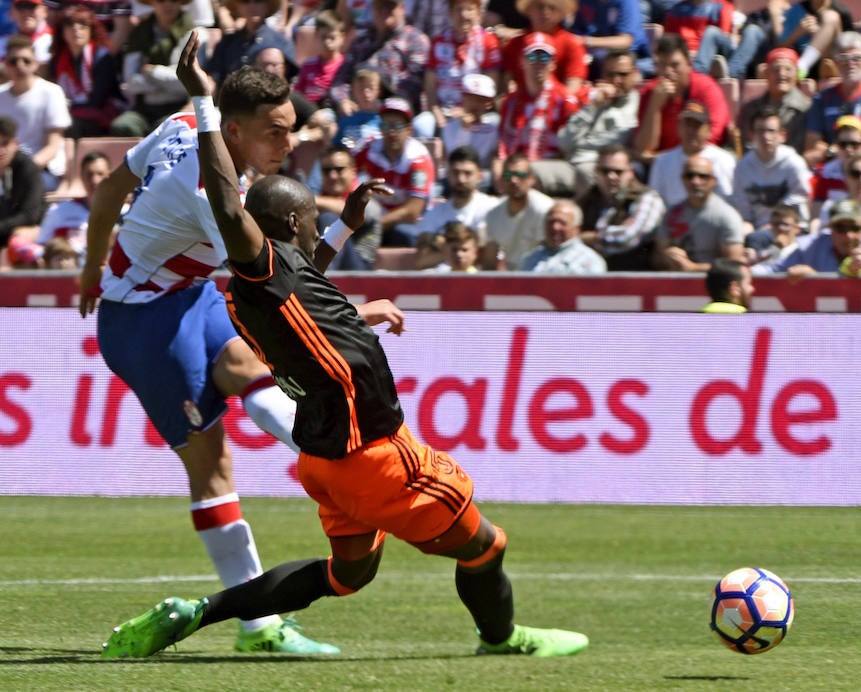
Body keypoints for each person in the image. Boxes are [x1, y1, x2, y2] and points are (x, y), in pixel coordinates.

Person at [98, 31, 590, 660]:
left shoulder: (273, 281)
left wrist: (346, 224)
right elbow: (226, 200)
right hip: (378, 454)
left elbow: (308, 272)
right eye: (308, 227)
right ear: (289, 231)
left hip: (324, 460)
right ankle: (503, 638)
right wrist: (203, 106)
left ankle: (199, 613)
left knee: (346, 576)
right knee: (486, 545)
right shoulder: (259, 264)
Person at [76, 63, 382, 656]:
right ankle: (258, 627)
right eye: (275, 132)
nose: (288, 145)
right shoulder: (217, 201)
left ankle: (344, 469)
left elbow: (112, 188)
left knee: (251, 372)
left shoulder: (187, 121)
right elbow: (290, 287)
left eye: (291, 128)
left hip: (185, 294)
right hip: (143, 325)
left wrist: (91, 267)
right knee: (213, 470)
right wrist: (348, 261)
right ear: (234, 132)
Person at [494, 33, 581, 198]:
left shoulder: (565, 100)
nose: (539, 64)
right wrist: (499, 168)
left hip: (550, 167)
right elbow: (503, 144)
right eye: (533, 56)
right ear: (522, 61)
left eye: (545, 57)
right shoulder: (511, 101)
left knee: (526, 172)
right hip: (516, 168)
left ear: (553, 63)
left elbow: (570, 148)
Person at [354, 97, 435, 247]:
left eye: (397, 126)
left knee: (405, 234)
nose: (391, 132)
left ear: (409, 130)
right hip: (375, 216)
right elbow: (345, 171)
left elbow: (412, 212)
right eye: (385, 126)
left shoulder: (419, 159)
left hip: (407, 222)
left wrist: (375, 226)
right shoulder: (368, 147)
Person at [557, 48, 639, 197]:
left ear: (634, 74)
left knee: (589, 172)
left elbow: (620, 140)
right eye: (610, 74)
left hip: (601, 167)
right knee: (529, 173)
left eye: (623, 74)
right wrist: (593, 107)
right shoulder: (594, 100)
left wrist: (581, 148)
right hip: (571, 164)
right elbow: (564, 141)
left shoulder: (638, 104)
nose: (616, 80)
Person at [328, 0, 430, 119]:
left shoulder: (415, 40)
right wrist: (343, 100)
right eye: (379, 6)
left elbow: (413, 84)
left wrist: (385, 106)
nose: (384, 11)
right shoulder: (361, 41)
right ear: (372, 9)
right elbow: (340, 79)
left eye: (389, 6)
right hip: (357, 109)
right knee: (325, 117)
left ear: (402, 9)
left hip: (397, 115)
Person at [632, 33, 729, 158]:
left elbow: (712, 137)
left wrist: (665, 159)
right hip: (660, 164)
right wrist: (654, 106)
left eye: (675, 65)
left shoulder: (706, 88)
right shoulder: (650, 91)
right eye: (662, 65)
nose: (668, 72)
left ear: (688, 65)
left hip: (702, 160)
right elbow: (644, 147)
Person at [109, 0, 194, 138]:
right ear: (152, 3)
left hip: (178, 106)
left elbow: (186, 82)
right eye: (161, 1)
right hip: (144, 108)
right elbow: (130, 82)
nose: (168, 5)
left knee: (167, 129)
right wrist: (166, 83)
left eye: (174, 0)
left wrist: (151, 72)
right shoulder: (139, 33)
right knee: (123, 126)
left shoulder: (194, 33)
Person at [417, 0, 501, 139]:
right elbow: (430, 88)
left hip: (478, 112)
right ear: (450, 14)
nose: (463, 15)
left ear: (479, 14)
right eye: (458, 9)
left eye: (469, 9)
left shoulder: (488, 42)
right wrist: (436, 112)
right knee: (422, 124)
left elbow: (492, 89)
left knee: (495, 122)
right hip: (444, 111)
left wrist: (467, 112)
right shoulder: (438, 42)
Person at [803, 31, 861, 168]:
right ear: (835, 62)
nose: (850, 64)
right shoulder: (821, 99)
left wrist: (838, 149)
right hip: (832, 169)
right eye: (843, 58)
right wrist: (832, 152)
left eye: (857, 58)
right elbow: (811, 151)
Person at [0, 35, 71, 192]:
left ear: (36, 64)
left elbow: (52, 147)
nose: (20, 66)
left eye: (26, 61)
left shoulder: (52, 92)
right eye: (13, 61)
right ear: (5, 65)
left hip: (40, 171)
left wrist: (22, 170)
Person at [578, 143, 665, 271]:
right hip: (592, 279)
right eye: (605, 171)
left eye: (618, 172)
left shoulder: (647, 198)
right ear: (596, 172)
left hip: (635, 280)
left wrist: (588, 238)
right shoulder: (588, 199)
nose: (611, 176)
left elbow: (627, 238)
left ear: (630, 172)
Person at [653, 155, 745, 272]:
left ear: (713, 181)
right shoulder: (672, 213)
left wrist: (694, 268)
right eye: (689, 176)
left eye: (703, 176)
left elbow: (734, 265)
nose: (695, 181)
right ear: (682, 179)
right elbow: (656, 257)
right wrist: (668, 256)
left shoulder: (727, 216)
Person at [413, 146, 499, 268]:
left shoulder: (491, 207)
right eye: (456, 172)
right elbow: (421, 260)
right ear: (447, 174)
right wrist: (457, 250)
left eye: (467, 173)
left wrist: (444, 246)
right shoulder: (436, 212)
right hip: (442, 281)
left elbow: (484, 254)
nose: (461, 179)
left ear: (480, 176)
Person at [730, 105, 811, 235]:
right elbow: (743, 210)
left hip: (792, 228)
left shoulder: (794, 163)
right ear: (751, 135)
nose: (766, 136)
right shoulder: (742, 167)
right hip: (758, 230)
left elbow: (798, 201)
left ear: (782, 135)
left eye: (771, 131)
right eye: (760, 131)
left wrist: (772, 225)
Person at [48, 4, 124, 138]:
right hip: (74, 112)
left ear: (91, 30)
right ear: (62, 31)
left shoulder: (102, 57)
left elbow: (98, 100)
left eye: (83, 25)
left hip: (103, 113)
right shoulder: (57, 60)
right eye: (70, 25)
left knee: (70, 126)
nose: (76, 30)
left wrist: (67, 108)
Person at [647, 100, 735, 208]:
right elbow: (654, 200)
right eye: (687, 124)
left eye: (696, 126)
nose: (690, 131)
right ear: (678, 127)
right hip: (673, 221)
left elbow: (729, 199)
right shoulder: (663, 162)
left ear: (709, 130)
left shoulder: (724, 160)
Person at [763, 198, 861, 280]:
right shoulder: (809, 247)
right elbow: (771, 272)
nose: (848, 235)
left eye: (854, 228)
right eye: (841, 228)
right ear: (830, 228)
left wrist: (816, 279)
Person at [500, 0, 588, 98]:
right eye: (540, 7)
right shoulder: (515, 43)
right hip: (522, 106)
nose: (546, 12)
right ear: (529, 10)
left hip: (558, 106)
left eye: (552, 8)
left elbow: (573, 85)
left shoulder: (572, 44)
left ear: (561, 13)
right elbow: (507, 81)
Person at [315, 144, 382, 270]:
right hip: (321, 263)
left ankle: (324, 278)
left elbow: (352, 210)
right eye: (326, 170)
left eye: (339, 169)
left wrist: (308, 200)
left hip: (359, 271)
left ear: (353, 171)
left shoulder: (366, 198)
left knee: (329, 218)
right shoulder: (318, 202)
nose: (333, 176)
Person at [483, 153, 555, 270]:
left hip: (541, 273)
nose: (513, 180)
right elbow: (490, 261)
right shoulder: (493, 214)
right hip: (511, 277)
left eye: (520, 175)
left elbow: (549, 253)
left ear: (532, 179)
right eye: (507, 175)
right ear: (501, 179)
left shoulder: (545, 209)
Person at [736, 47, 811, 155]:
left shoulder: (807, 108)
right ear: (766, 73)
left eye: (788, 69)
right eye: (776, 69)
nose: (781, 74)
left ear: (796, 73)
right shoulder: (750, 109)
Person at [203, 0, 294, 86]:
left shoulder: (280, 41)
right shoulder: (227, 42)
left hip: (268, 99)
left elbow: (290, 82)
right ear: (237, 6)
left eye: (258, 1)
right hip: (229, 99)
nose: (252, 6)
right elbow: (214, 78)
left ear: (267, 5)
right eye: (245, 1)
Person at [569, 0, 652, 79]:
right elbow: (577, 32)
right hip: (593, 53)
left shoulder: (627, 2)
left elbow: (625, 41)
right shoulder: (585, 1)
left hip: (629, 56)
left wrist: (585, 41)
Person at [519, 200, 607, 274]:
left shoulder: (589, 261)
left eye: (562, 223)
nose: (555, 227)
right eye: (551, 222)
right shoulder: (530, 258)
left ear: (576, 229)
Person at [0, 115, 45, 261]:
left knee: (20, 236)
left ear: (15, 144)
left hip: (22, 231)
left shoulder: (28, 168)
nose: (0, 151)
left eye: (5, 143)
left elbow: (30, 214)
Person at [778, 0, 850, 79]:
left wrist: (819, 34)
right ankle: (801, 67)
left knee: (831, 17)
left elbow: (848, 47)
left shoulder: (840, 11)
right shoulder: (796, 10)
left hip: (829, 62)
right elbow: (780, 48)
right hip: (799, 64)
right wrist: (798, 32)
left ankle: (803, 64)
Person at [293, 9, 345, 107]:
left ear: (342, 37)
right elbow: (298, 93)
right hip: (307, 110)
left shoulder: (344, 66)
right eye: (323, 37)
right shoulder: (308, 65)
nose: (327, 42)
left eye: (332, 37)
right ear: (316, 36)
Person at [746, 202, 804, 272]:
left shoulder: (803, 251)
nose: (780, 228)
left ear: (797, 229)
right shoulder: (767, 252)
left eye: (785, 225)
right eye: (776, 224)